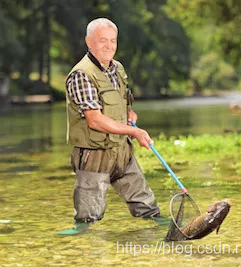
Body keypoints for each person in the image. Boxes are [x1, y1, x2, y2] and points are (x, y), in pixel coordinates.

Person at [58, 18, 161, 235]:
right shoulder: (81, 75)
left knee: (148, 207)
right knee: (88, 220)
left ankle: (161, 232)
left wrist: (129, 115)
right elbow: (94, 119)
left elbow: (121, 103)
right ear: (88, 42)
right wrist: (135, 131)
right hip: (94, 156)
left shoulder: (118, 69)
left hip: (122, 151)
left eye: (112, 40)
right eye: (102, 40)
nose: (109, 46)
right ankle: (77, 246)